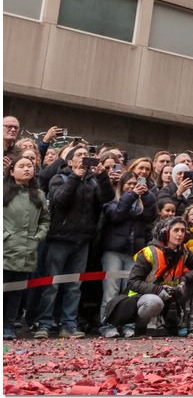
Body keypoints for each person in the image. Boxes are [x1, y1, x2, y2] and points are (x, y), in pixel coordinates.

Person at [31, 144, 115, 338]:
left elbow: (107, 199)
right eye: (79, 155)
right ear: (70, 161)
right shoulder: (59, 178)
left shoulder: (94, 181)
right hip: (59, 239)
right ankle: (44, 323)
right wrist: (76, 177)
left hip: (83, 240)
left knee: (74, 285)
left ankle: (68, 324)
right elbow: (61, 200)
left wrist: (102, 177)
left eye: (87, 155)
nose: (84, 157)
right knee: (51, 284)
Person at [104, 218, 193, 337]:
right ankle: (140, 328)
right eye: (176, 230)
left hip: (174, 294)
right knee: (154, 302)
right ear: (165, 233)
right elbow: (132, 282)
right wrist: (158, 290)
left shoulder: (184, 250)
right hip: (148, 296)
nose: (180, 234)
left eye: (183, 230)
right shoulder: (148, 252)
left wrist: (185, 278)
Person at [97, 171, 155, 338]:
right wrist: (131, 195)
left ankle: (127, 323)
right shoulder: (112, 203)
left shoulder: (141, 206)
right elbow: (117, 214)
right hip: (113, 253)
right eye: (128, 184)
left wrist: (146, 194)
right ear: (121, 186)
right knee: (111, 290)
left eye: (135, 184)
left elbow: (150, 215)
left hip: (134, 254)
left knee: (130, 291)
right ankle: (107, 323)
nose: (132, 187)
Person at [4, 155, 49, 340]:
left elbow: (45, 220)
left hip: (28, 250)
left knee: (17, 292)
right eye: (21, 166)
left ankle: (8, 325)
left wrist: (38, 237)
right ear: (12, 171)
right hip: (6, 248)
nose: (26, 169)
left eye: (29, 166)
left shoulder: (39, 194)